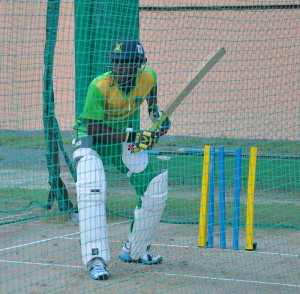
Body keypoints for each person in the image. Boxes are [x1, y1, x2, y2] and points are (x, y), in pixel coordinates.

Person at [72, 38, 171, 280]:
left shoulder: (149, 77)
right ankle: (96, 259)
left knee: (155, 183)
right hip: (90, 140)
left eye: (125, 63)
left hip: (121, 139)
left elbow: (152, 107)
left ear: (138, 65)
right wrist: (136, 135)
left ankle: (135, 250)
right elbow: (93, 129)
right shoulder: (100, 85)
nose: (119, 68)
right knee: (92, 188)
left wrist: (159, 124)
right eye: (116, 63)